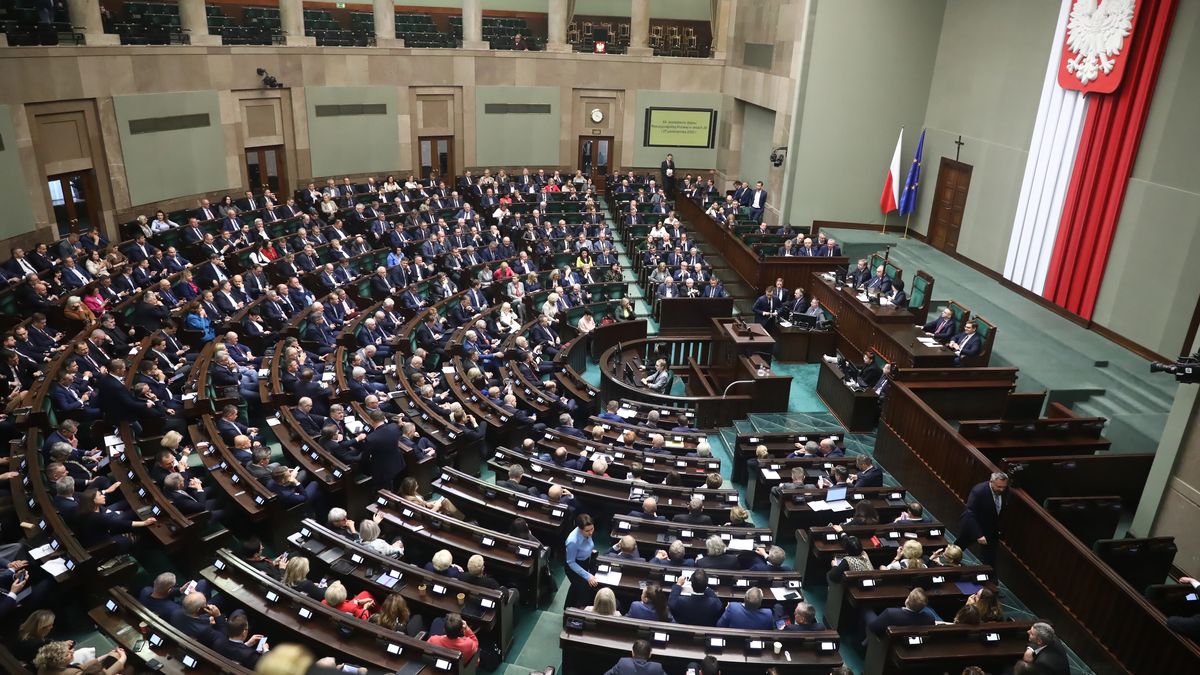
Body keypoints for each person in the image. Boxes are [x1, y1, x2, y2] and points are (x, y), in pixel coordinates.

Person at [959, 471, 1008, 565]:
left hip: (991, 529)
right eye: (999, 487)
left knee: (990, 557)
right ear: (991, 482)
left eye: (1004, 487)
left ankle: (990, 576)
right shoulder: (979, 491)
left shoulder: (1006, 491)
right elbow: (970, 513)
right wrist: (978, 534)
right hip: (973, 525)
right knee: (959, 546)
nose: (1002, 489)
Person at [868, 587, 936, 637]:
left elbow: (872, 627)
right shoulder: (930, 618)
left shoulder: (890, 614)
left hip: (885, 642)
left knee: (866, 610)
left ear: (907, 600)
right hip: (899, 642)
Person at [565, 514, 598, 608]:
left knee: (576, 587)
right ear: (580, 529)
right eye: (587, 531)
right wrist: (587, 576)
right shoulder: (573, 541)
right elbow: (571, 562)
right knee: (582, 588)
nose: (591, 533)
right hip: (574, 565)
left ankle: (568, 607)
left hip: (585, 560)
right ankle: (571, 610)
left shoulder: (587, 531)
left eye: (592, 529)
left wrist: (589, 551)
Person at [33, 642, 126, 675]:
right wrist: (123, 658)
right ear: (59, 661)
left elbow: (80, 667)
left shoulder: (44, 666)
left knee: (113, 654)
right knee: (117, 656)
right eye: (67, 654)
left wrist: (106, 655)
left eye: (69, 650)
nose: (72, 651)